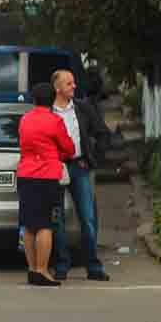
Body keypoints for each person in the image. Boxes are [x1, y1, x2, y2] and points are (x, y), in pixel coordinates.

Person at [50, 69, 113, 282]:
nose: (74, 86)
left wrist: (93, 158)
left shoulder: (83, 108)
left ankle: (93, 266)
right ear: (57, 88)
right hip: (55, 169)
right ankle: (61, 265)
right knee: (56, 219)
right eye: (69, 83)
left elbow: (103, 133)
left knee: (87, 218)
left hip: (79, 167)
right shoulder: (47, 111)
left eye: (73, 82)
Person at [17, 82, 74, 287]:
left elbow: (23, 143)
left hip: (25, 174)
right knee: (45, 226)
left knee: (29, 225)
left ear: (33, 100)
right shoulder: (55, 121)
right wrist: (56, 154)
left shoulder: (24, 119)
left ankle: (32, 269)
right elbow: (69, 148)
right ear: (52, 100)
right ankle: (43, 270)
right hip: (47, 177)